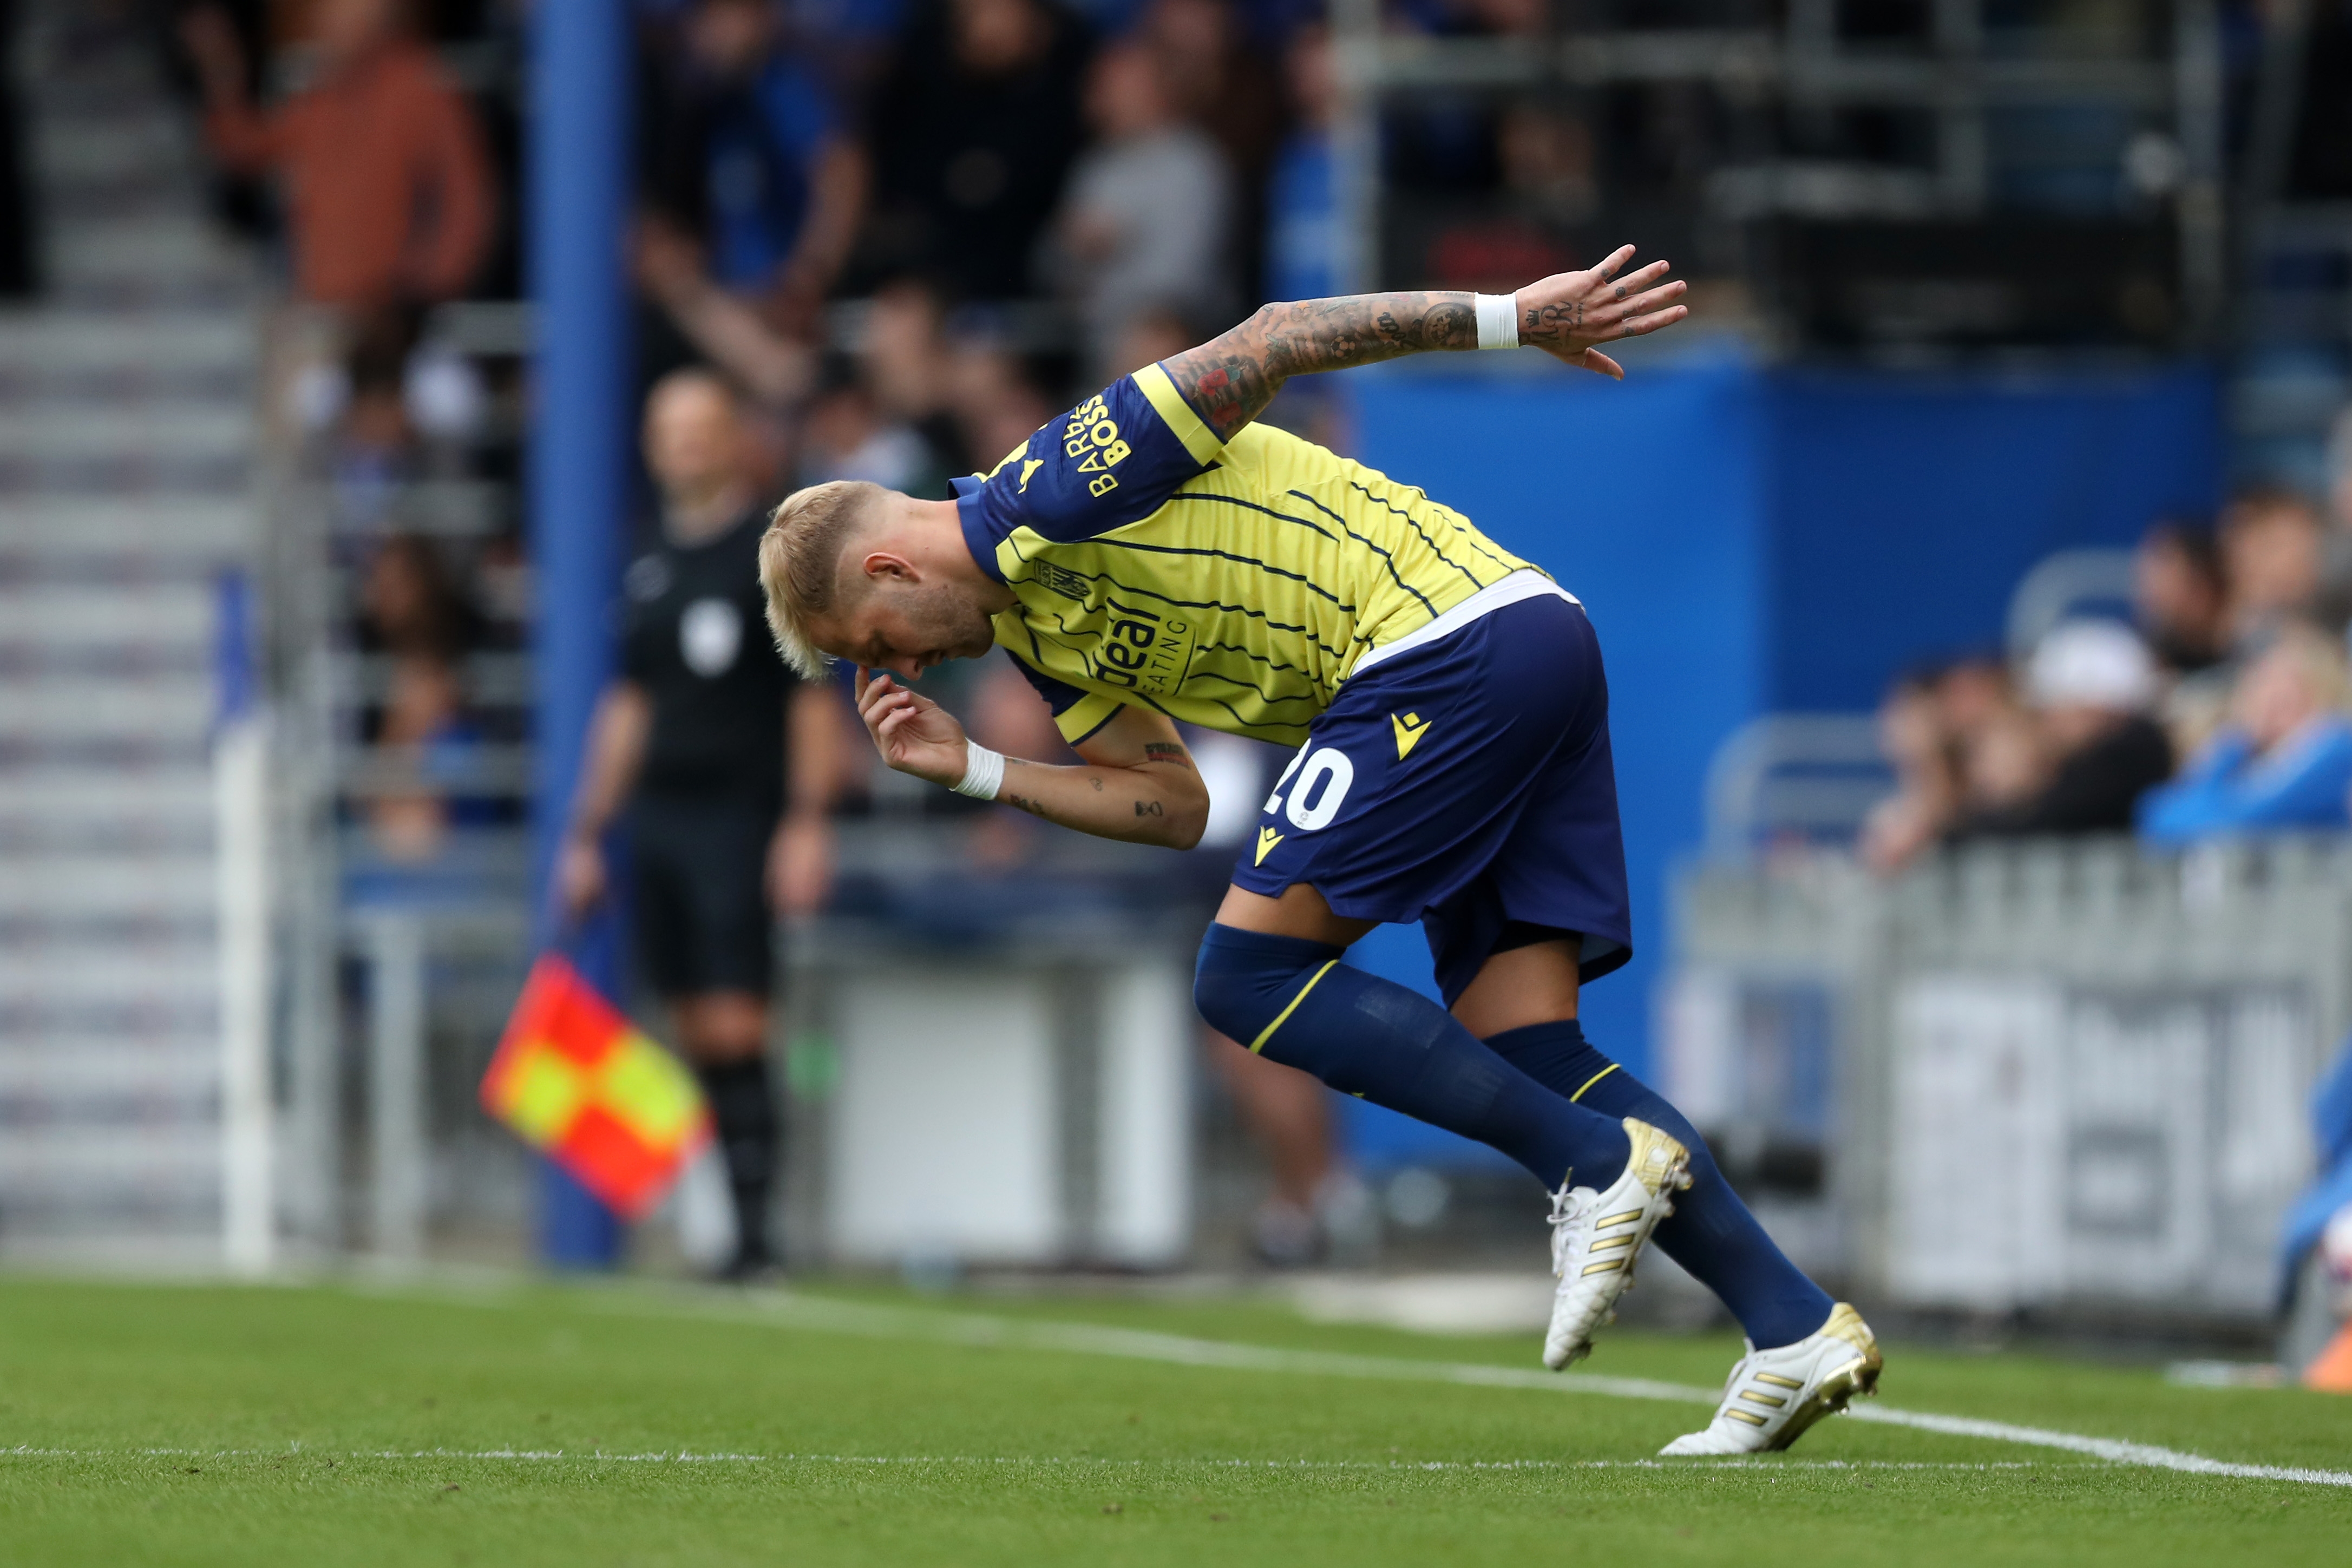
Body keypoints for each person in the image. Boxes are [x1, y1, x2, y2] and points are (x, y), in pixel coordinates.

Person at [756, 252, 1879, 1455]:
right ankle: (1790, 1323)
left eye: (883, 641)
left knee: (1241, 976)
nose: (907, 669)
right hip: (1519, 647)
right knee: (1528, 1041)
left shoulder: (1050, 477)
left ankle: (1593, 1165)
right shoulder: (1038, 624)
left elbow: (1280, 334)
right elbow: (1171, 804)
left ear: (888, 566)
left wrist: (1511, 318)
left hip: (1444, 647)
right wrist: (977, 768)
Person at [559, 370, 844, 1280]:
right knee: (689, 1021)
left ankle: (758, 1237)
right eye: (667, 428)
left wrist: (807, 822)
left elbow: (809, 703)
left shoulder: (766, 557)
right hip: (660, 818)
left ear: (731, 438)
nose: (683, 443)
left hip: (739, 816)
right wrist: (587, 830)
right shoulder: (647, 562)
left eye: (699, 427)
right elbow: (629, 703)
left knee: (738, 1020)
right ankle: (732, 1229)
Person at [180, 0, 494, 309]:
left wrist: (428, 286)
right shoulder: (324, 94)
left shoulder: (419, 87)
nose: (332, 22)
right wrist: (221, 67)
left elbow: (466, 200)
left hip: (390, 308)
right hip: (324, 302)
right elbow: (244, 148)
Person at [1947, 620, 2173, 840]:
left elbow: (2042, 823)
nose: (2047, 724)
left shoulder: (2126, 760)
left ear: (2098, 710)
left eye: (2054, 708)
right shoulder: (2091, 768)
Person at [2139, 621, 2352, 844]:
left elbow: (2234, 830)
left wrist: (2234, 745)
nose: (2271, 701)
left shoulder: (2334, 746)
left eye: (2290, 692)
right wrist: (2236, 744)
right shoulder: (2250, 757)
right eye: (2264, 685)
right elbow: (2156, 817)